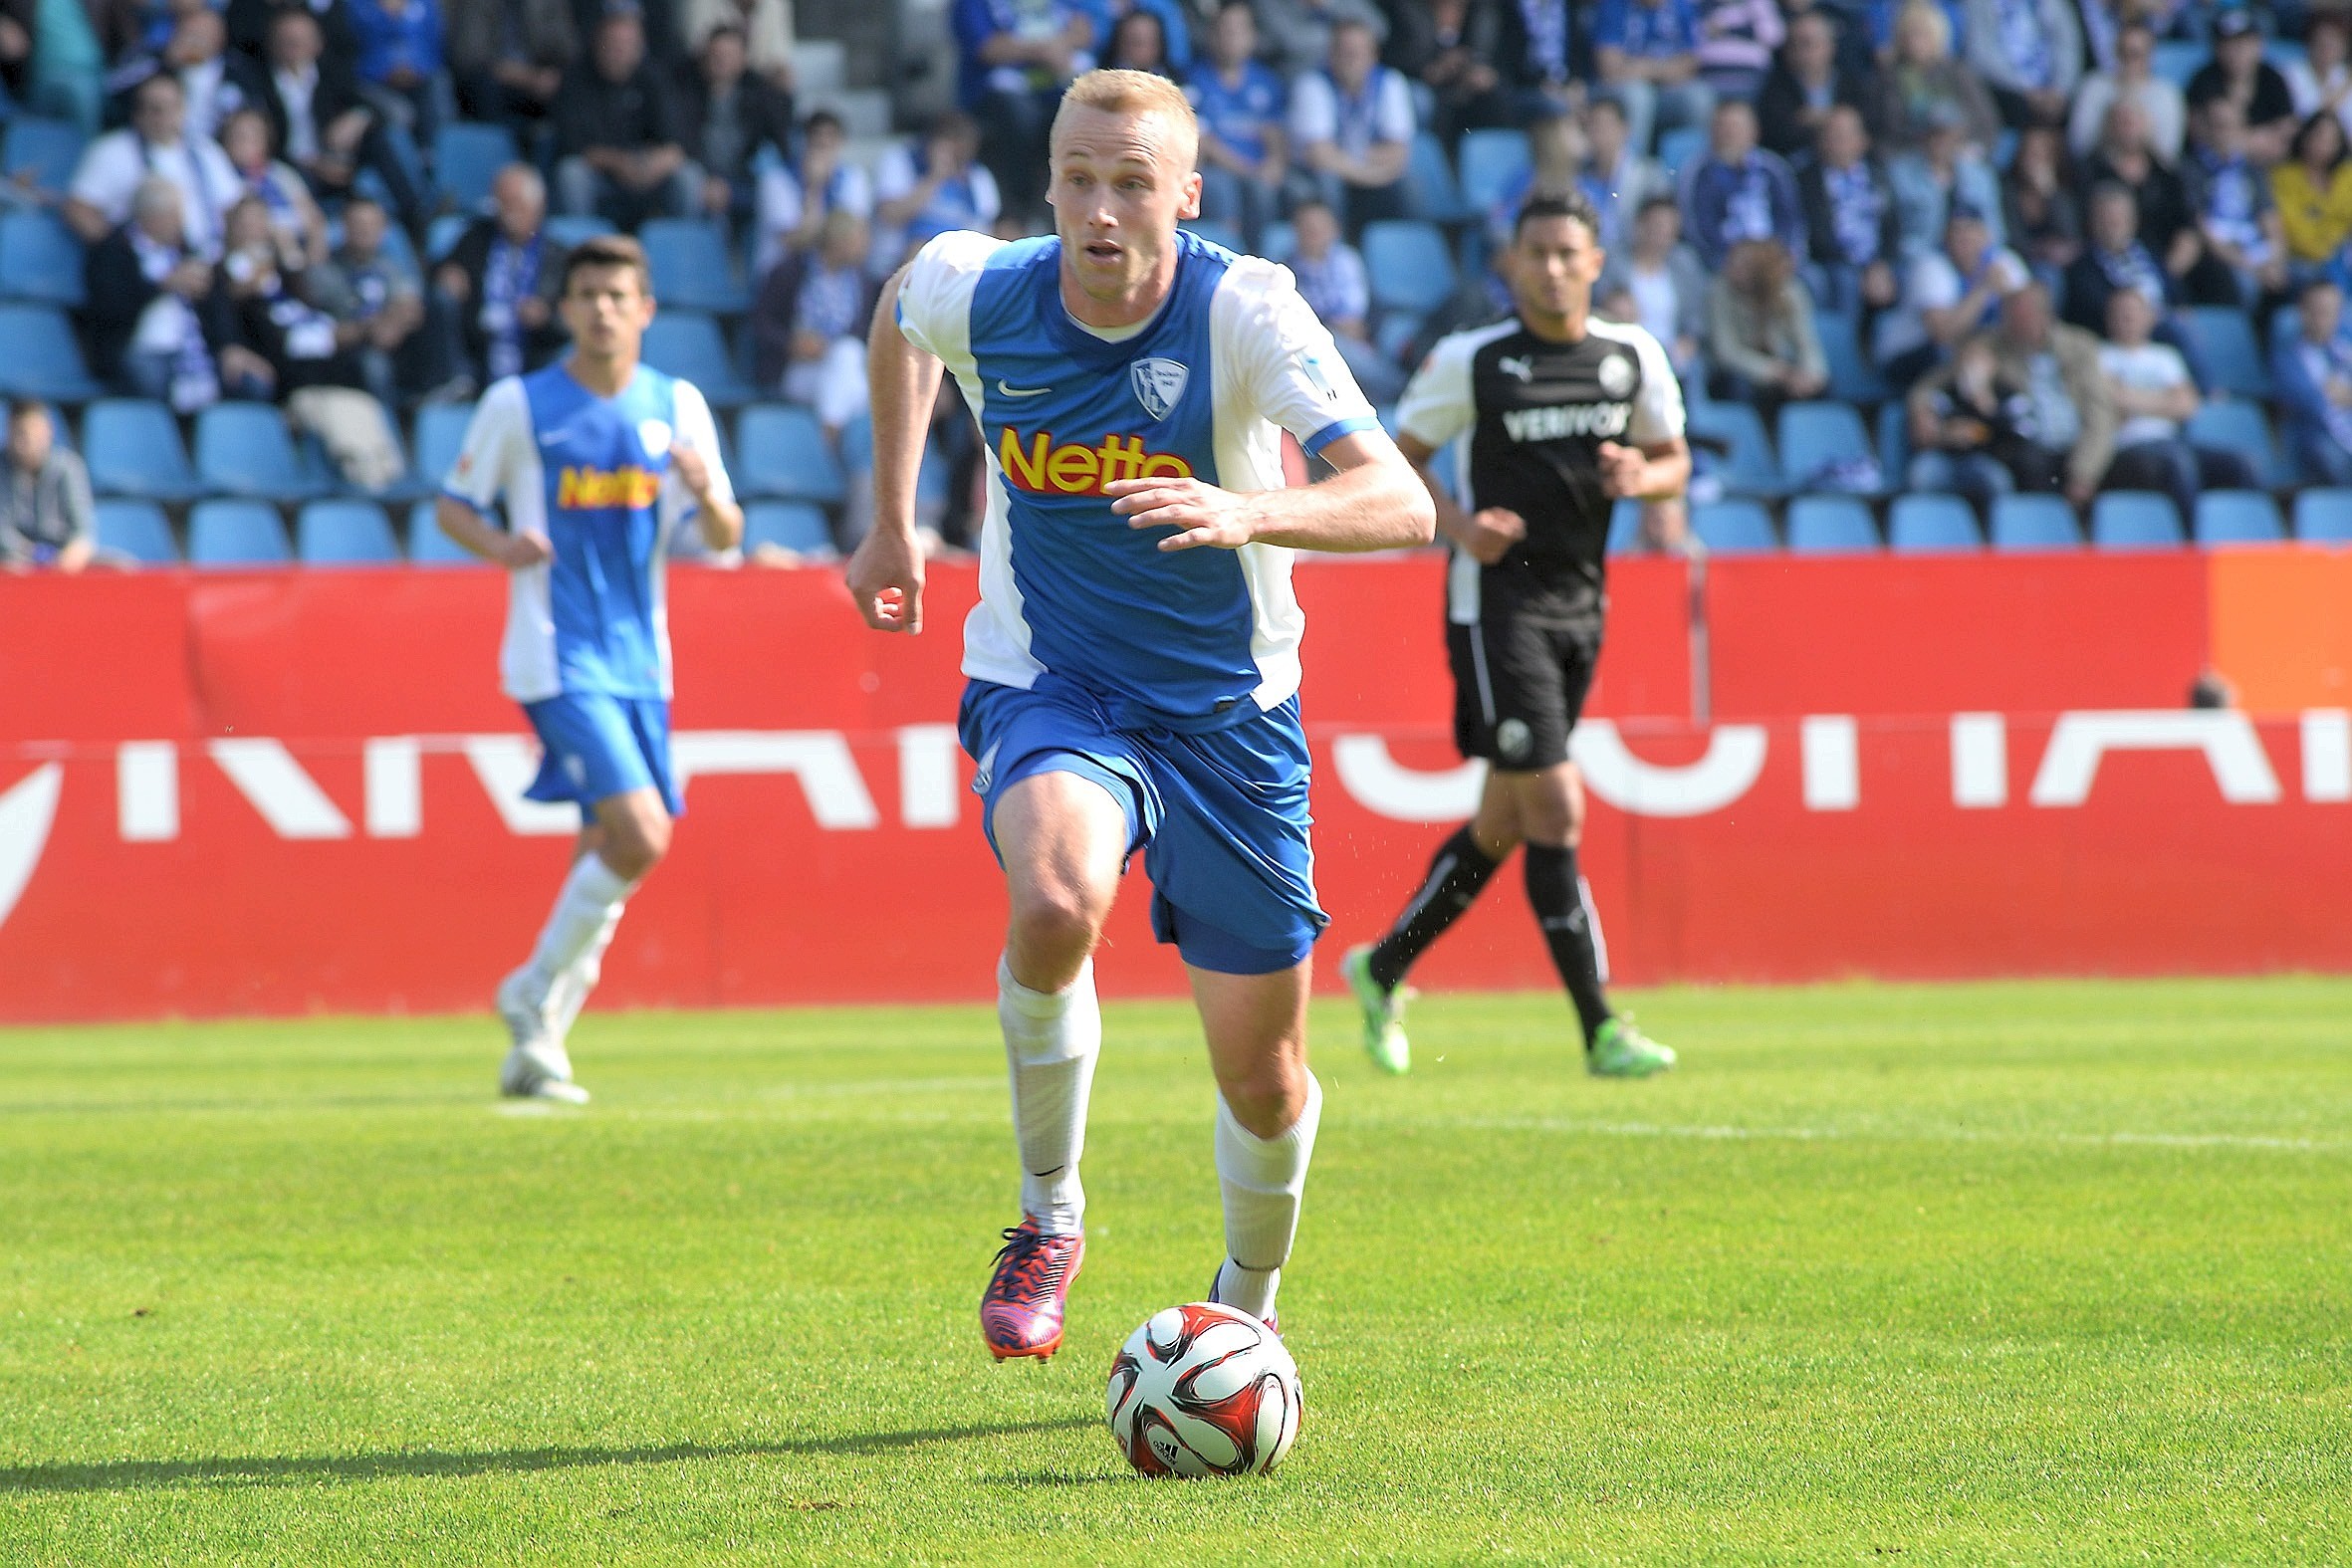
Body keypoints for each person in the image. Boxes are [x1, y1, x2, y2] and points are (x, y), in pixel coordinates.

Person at [843, 68, 1432, 1359]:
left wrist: (1249, 508)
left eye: (1129, 182)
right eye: (1076, 178)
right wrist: (892, 519)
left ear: (1185, 193)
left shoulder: (1244, 310)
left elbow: (1401, 502)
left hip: (1228, 716)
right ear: (1047, 180)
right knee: (1056, 900)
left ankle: (1242, 1309)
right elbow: (897, 316)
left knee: (1262, 1079)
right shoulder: (982, 288)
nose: (1098, 209)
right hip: (1054, 682)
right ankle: (1048, 1209)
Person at [1342, 188, 1688, 1080]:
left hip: (1584, 604)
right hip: (1496, 608)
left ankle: (1381, 969)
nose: (1553, 268)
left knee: (1503, 821)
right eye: (1536, 252)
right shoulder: (1476, 359)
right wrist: (1461, 529)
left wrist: (1639, 476)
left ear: (1596, 262)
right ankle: (1601, 1028)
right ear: (1512, 263)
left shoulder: (1629, 356)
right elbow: (1395, 463)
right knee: (1557, 806)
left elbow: (1675, 459)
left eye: (1569, 252)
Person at [436, 234, 744, 1103]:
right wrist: (502, 543)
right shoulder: (520, 404)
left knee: (605, 851)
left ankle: (540, 1050)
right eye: (587, 294)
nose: (602, 308)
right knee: (643, 835)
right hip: (555, 651)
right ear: (563, 309)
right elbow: (454, 505)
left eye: (618, 294)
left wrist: (708, 491)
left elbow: (724, 537)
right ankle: (528, 994)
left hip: (644, 662)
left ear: (646, 308)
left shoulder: (677, 405)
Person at [82, 176, 262, 409]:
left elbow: (216, 304)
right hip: (138, 348)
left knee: (251, 382)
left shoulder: (186, 251)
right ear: (152, 218)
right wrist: (161, 286)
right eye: (174, 215)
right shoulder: (113, 252)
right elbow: (110, 309)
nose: (180, 222)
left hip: (194, 350)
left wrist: (230, 346)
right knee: (149, 377)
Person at [2097, 285, 2254, 518]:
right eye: (2120, 313)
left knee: (2241, 463)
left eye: (2133, 312)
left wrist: (2133, 399)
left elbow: (2187, 406)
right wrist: (2165, 402)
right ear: (2109, 319)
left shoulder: (2166, 356)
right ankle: (2192, 544)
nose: (2127, 319)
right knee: (2179, 464)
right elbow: (2113, 401)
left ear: (2149, 317)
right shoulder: (2100, 357)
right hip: (2127, 448)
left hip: (2172, 442)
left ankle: (2249, 539)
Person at [553, 8, 699, 229]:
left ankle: (680, 252)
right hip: (601, 173)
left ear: (640, 47)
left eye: (627, 45)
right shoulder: (575, 80)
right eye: (611, 44)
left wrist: (653, 166)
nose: (618, 52)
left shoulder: (654, 78)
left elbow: (676, 142)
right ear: (597, 43)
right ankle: (581, 246)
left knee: (689, 177)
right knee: (571, 174)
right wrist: (619, 164)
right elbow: (573, 145)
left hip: (647, 173)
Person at [64, 72, 238, 255]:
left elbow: (233, 206)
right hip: (149, 270)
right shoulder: (112, 151)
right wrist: (128, 256)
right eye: (156, 109)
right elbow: (78, 209)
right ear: (138, 114)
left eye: (172, 107)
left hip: (210, 263)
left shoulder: (206, 150)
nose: (165, 117)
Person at [433, 163, 571, 395]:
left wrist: (545, 317)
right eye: (501, 204)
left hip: (534, 358)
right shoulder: (476, 239)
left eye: (515, 204)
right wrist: (446, 274)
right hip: (476, 355)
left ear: (537, 206)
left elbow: (570, 321)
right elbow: (437, 268)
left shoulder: (559, 258)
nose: (507, 214)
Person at [951, 0, 1096, 216]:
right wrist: (1043, 51)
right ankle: (1016, 214)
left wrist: (1059, 46)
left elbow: (1085, 31)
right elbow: (987, 47)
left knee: (1086, 111)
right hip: (997, 96)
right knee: (1019, 118)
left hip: (1056, 88)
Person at [1288, 16, 1415, 236]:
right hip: (1314, 175)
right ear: (1331, 55)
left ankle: (1407, 254)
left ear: (1373, 56)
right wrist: (1367, 172)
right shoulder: (1312, 84)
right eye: (1344, 52)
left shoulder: (1390, 82)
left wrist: (1347, 163)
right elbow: (1319, 156)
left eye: (1357, 53)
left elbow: (1398, 153)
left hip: (1359, 173)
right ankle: (1337, 250)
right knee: (1328, 182)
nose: (1350, 60)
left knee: (1411, 186)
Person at [1875, 202, 2024, 387]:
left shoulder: (2005, 262)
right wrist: (1984, 288)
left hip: (1975, 350)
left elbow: (2027, 320)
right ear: (1945, 237)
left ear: (1986, 235)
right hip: (1908, 354)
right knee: (1956, 356)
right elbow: (1942, 334)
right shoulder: (1931, 266)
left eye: (1970, 230)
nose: (1963, 237)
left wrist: (2008, 298)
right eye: (1956, 231)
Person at [1904, 330, 2063, 500]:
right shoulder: (1946, 394)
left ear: (1992, 364)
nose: (1972, 367)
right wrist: (1945, 434)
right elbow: (1924, 435)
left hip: (1989, 459)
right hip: (1947, 458)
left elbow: (2024, 436)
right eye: (1967, 359)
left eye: (1978, 360)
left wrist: (1988, 410)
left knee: (1997, 480)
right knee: (1922, 472)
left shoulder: (2009, 396)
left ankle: (1997, 525)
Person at [1186, 0, 1287, 252]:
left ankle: (1264, 259)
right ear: (1212, 35)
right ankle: (1226, 257)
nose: (1231, 38)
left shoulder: (1266, 81)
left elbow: (1273, 131)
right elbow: (1203, 140)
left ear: (1252, 36)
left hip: (1258, 170)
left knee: (1292, 189)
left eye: (1238, 30)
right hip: (1219, 169)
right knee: (1223, 188)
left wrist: (1275, 162)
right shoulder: (1195, 79)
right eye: (1224, 30)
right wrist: (1248, 169)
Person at [313, 194, 426, 409]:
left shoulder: (392, 265)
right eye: (358, 224)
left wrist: (390, 325)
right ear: (344, 227)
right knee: (374, 365)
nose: (365, 231)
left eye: (372, 224)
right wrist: (369, 330)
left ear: (383, 229)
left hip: (394, 343)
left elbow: (410, 304)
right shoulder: (324, 272)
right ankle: (388, 434)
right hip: (348, 354)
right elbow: (323, 333)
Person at [1286, 195, 1403, 401]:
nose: (1314, 234)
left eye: (1320, 228)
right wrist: (1337, 324)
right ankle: (1397, 388)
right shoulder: (1285, 270)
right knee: (1332, 343)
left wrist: (1361, 326)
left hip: (1362, 335)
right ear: (1296, 231)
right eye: (1308, 228)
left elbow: (1366, 304)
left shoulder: (1348, 260)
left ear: (1334, 230)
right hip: (1320, 341)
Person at [675, 22, 793, 226]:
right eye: (715, 55)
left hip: (746, 181)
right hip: (704, 179)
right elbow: (684, 144)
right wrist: (710, 180)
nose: (721, 61)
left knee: (773, 187)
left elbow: (779, 149)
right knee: (688, 182)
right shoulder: (685, 95)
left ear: (743, 58)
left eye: (728, 55)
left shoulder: (764, 97)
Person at [1676, 98, 1805, 270]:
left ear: (1754, 131)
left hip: (1773, 261)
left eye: (1736, 127)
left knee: (1813, 280)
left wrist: (1783, 255)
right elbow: (1698, 229)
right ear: (1712, 131)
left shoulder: (1774, 168)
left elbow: (1791, 217)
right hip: (1722, 262)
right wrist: (1735, 260)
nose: (1730, 134)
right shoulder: (1697, 172)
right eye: (1723, 127)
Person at [2183, 96, 2288, 308]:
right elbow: (2203, 230)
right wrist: (2251, 267)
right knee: (2246, 286)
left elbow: (2270, 219)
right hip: (2221, 257)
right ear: (2203, 127)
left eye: (2231, 126)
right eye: (2218, 126)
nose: (2224, 133)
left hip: (2258, 253)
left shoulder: (2251, 169)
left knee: (2309, 282)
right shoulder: (2190, 170)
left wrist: (2274, 261)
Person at [871, 112, 1003, 278]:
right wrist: (936, 177)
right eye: (955, 140)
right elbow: (889, 215)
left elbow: (983, 232)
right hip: (900, 261)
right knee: (921, 250)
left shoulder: (978, 177)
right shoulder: (901, 160)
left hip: (957, 264)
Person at [1707, 235, 1827, 416]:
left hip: (1786, 368)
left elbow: (1807, 343)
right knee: (1738, 387)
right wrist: (1776, 372)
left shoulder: (1790, 293)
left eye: (1745, 265)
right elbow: (1726, 352)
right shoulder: (1719, 292)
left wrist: (1811, 376)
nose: (1735, 269)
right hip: (1747, 371)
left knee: (1821, 390)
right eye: (1733, 262)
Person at [1798, 104, 1902, 315]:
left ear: (1863, 141)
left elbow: (1893, 226)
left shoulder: (1879, 177)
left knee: (1908, 277)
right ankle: (1846, 346)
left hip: (1878, 261)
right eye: (1833, 135)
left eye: (1845, 135)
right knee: (1846, 280)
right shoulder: (1806, 181)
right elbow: (1814, 235)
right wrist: (1860, 267)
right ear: (1821, 141)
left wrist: (1880, 264)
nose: (1839, 141)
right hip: (1835, 262)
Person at [1861, 0, 1998, 158]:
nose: (1914, 42)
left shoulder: (1958, 73)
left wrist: (1970, 148)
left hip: (1959, 153)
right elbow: (1879, 128)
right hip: (1906, 156)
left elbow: (1985, 120)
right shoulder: (1887, 78)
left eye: (1921, 34)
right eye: (1908, 34)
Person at [1596, 192, 1708, 377]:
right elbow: (1604, 305)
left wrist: (1688, 342)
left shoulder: (1685, 265)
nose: (1662, 233)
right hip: (1624, 352)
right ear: (1639, 224)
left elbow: (1695, 320)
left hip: (1673, 358)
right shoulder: (1614, 262)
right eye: (1657, 226)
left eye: (1669, 228)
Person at [753, 109, 875, 276]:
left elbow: (855, 241)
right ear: (804, 142)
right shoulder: (776, 180)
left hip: (836, 273)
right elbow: (796, 241)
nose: (823, 149)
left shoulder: (853, 178)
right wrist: (815, 187)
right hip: (783, 278)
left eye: (830, 142)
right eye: (817, 142)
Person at [1591, 0, 1712, 158]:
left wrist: (1646, 68)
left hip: (1668, 89)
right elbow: (1609, 67)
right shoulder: (1614, 5)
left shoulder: (1681, 5)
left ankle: (1694, 170)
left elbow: (1691, 61)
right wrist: (1663, 69)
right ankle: (1633, 170)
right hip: (1622, 88)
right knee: (1640, 96)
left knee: (1699, 97)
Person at [2185, 8, 2295, 168]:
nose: (2237, 52)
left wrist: (2238, 141)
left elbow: (2287, 130)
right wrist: (2256, 140)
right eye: (2229, 44)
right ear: (2217, 48)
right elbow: (2199, 134)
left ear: (2258, 45)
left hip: (2267, 166)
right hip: (2212, 168)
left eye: (2244, 43)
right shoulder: (2204, 79)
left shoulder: (2272, 78)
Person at [2067, 20, 2184, 163]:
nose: (2128, 61)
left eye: (2135, 54)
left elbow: (2168, 155)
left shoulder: (2167, 94)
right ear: (2115, 53)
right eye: (2123, 53)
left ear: (2150, 56)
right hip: (2100, 171)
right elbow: (2079, 146)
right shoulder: (2093, 86)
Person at [2272, 276, 2352, 485]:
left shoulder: (2345, 353)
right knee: (2330, 457)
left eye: (2332, 311)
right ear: (2304, 313)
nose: (2326, 318)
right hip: (2317, 439)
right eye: (2320, 310)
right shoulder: (2288, 359)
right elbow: (2309, 402)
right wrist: (2334, 395)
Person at [0, 400, 96, 573]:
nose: (25, 442)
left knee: (122, 567)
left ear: (48, 430)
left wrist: (67, 560)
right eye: (19, 433)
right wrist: (31, 554)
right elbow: (3, 532)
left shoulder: (69, 466)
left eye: (32, 433)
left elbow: (83, 531)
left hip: (65, 557)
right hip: (13, 558)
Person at [446, 0, 576, 127]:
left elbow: (567, 50)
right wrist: (529, 77)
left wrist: (552, 75)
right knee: (485, 87)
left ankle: (577, 146)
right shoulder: (476, 3)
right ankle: (492, 145)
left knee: (570, 86)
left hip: (538, 77)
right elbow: (473, 55)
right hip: (494, 79)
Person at [1757, 7, 1861, 158]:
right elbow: (1779, 134)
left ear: (1829, 46)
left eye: (1807, 43)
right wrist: (1835, 121)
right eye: (1793, 44)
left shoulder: (1852, 84)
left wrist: (1813, 119)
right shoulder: (1776, 87)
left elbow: (1867, 127)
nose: (1799, 51)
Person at [1960, 0, 2078, 129]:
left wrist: (2059, 91)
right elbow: (1981, 55)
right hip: (2004, 86)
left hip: (2053, 91)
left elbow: (2067, 44)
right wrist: (2026, 90)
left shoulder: (2052, 3)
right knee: (2015, 108)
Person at [2275, 112, 2352, 283]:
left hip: (2339, 256)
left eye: (2331, 140)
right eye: (2319, 137)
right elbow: (2291, 227)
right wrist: (2331, 236)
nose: (2323, 145)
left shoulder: (2347, 176)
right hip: (2298, 259)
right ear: (2305, 137)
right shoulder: (2283, 177)